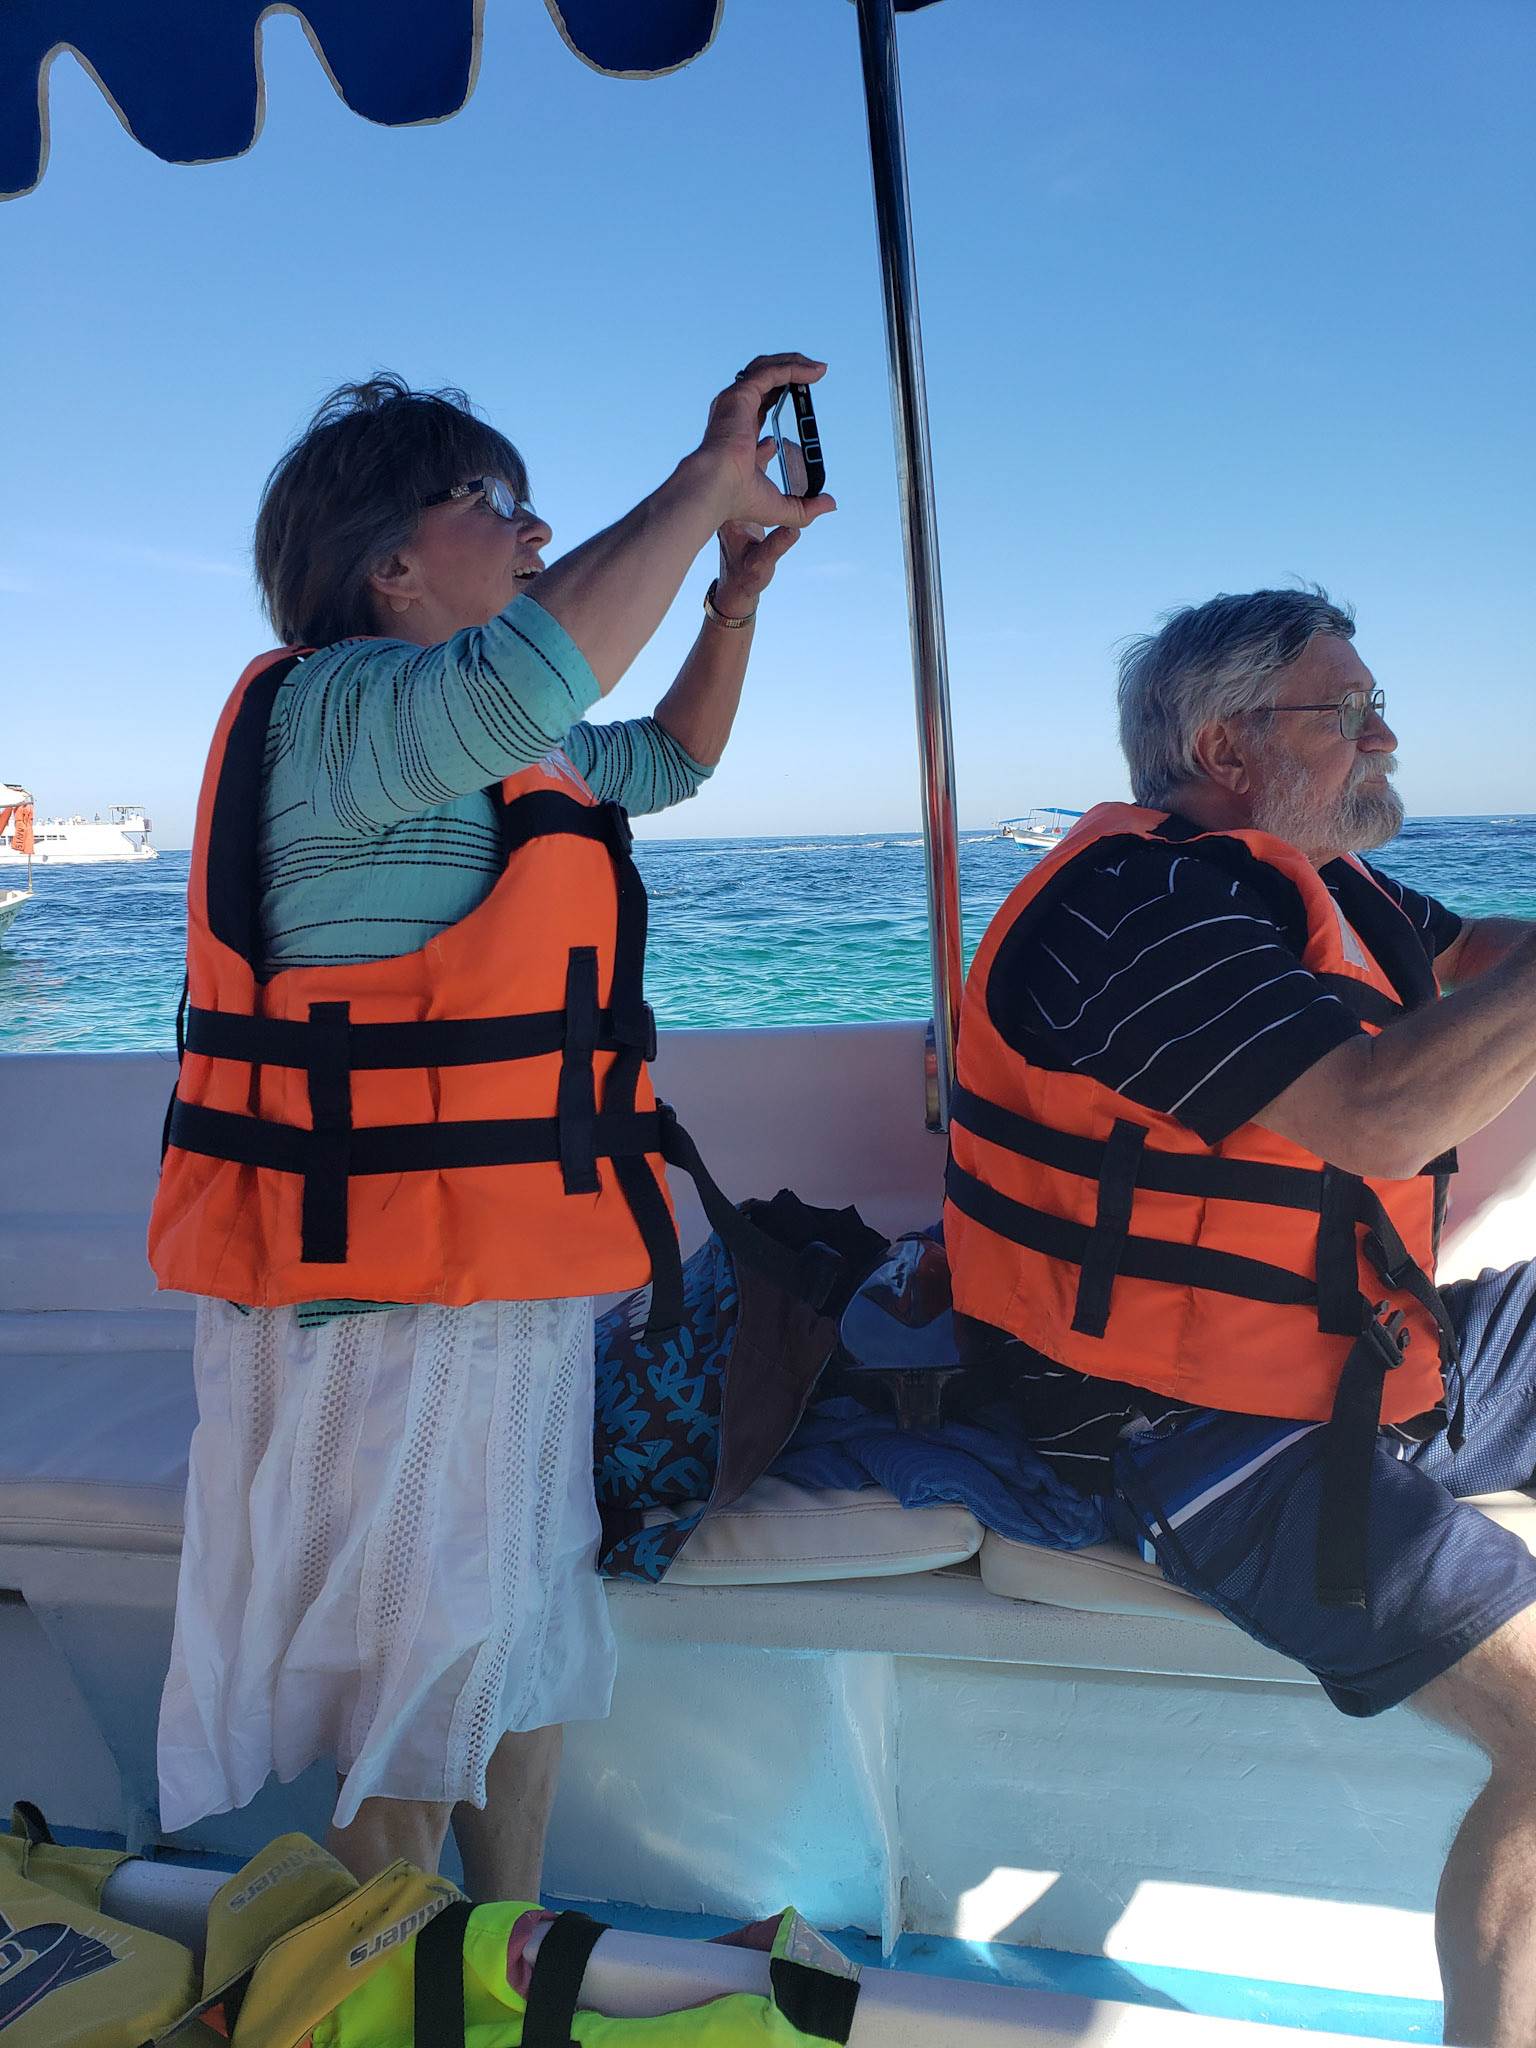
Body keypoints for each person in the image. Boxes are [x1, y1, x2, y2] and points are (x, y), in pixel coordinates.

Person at [148, 354, 832, 1901]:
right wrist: (700, 486)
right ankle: (380, 1977)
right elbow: (534, 675)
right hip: (377, 1301)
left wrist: (729, 598)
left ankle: (502, 1936)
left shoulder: (491, 741)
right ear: (388, 566)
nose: (536, 531)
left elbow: (671, 760)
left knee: (513, 1626)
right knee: (423, 1665)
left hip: (485, 1277)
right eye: (491, 503)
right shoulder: (342, 712)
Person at [944, 587, 1536, 2048]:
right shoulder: (1135, 910)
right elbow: (1382, 1117)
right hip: (1184, 1424)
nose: (1385, 737)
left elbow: (1480, 953)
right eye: (1350, 711)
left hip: (1361, 1353)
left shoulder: (1323, 886)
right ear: (1225, 746)